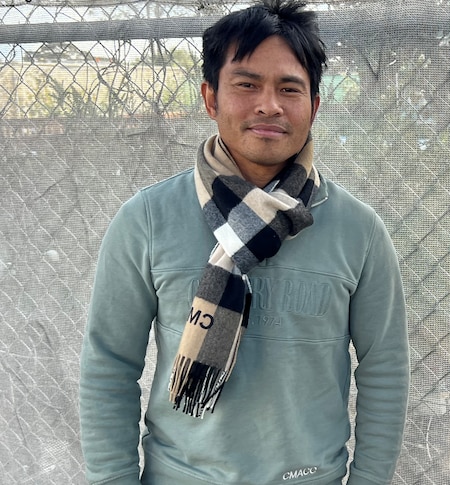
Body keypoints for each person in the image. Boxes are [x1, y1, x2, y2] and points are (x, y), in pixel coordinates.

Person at [78, 1, 410, 483]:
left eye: (289, 88)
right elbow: (109, 365)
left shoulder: (358, 231)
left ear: (314, 106)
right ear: (210, 98)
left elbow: (384, 372)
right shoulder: (147, 220)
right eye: (247, 84)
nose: (269, 105)